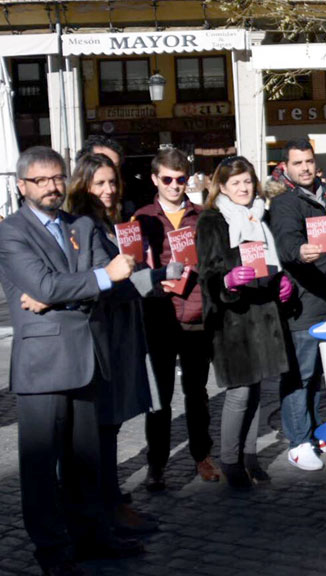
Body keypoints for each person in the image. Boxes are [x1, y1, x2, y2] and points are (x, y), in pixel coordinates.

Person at [0, 146, 142, 575]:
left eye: (57, 177)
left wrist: (61, 293)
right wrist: (92, 280)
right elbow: (49, 282)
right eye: (40, 180)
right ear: (21, 185)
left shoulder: (80, 224)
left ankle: (91, 538)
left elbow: (107, 281)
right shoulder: (12, 231)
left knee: (86, 462)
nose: (51, 187)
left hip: (85, 357)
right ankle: (53, 552)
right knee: (41, 469)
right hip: (42, 366)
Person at [65, 153, 165, 533]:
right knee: (105, 424)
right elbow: (99, 284)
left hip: (121, 331)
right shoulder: (87, 225)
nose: (108, 190)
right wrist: (148, 280)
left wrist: (150, 274)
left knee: (111, 424)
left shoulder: (106, 221)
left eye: (112, 182)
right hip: (106, 335)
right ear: (84, 186)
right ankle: (106, 506)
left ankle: (110, 500)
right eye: (100, 183)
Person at [197, 156, 294, 490]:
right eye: (235, 182)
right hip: (233, 320)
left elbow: (270, 262)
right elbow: (206, 274)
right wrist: (225, 282)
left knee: (256, 390)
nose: (243, 188)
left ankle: (250, 456)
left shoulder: (259, 216)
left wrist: (281, 281)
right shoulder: (212, 220)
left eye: (247, 181)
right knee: (239, 392)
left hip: (263, 313)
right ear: (221, 186)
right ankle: (230, 460)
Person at [134, 147, 219, 491]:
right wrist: (153, 279)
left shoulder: (201, 216)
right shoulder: (140, 219)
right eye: (167, 179)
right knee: (160, 398)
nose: (174, 185)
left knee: (197, 393)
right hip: (158, 316)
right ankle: (157, 464)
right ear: (155, 179)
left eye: (180, 179)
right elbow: (133, 266)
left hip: (196, 315)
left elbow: (214, 260)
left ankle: (202, 455)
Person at [267, 139, 326, 471]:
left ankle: (312, 433)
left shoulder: (323, 197)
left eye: (309, 161)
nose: (305, 168)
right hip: (303, 302)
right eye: (298, 163)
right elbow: (285, 241)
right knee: (301, 376)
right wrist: (298, 252)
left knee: (317, 377)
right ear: (286, 168)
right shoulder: (285, 202)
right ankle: (297, 442)